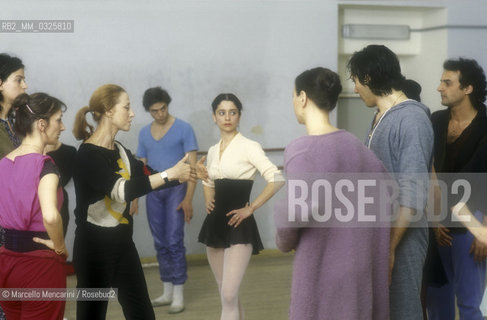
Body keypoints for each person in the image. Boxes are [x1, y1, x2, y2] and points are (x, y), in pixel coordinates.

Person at [273, 67, 390, 319]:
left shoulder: (301, 149)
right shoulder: (359, 148)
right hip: (361, 269)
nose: (293, 102)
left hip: (321, 269)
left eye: (294, 96)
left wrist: (284, 240)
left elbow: (294, 212)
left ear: (302, 98)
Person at [72, 84, 193, 320]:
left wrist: (186, 173)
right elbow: (122, 191)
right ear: (108, 111)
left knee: (142, 315)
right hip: (92, 252)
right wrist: (172, 173)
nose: (132, 113)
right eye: (127, 107)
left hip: (123, 247)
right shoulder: (87, 155)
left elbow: (149, 176)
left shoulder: (121, 151)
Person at [348, 44, 434, 320]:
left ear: (369, 77)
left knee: (403, 309)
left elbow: (412, 193)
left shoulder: (411, 118)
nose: (355, 89)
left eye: (356, 81)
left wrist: (389, 247)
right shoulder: (380, 117)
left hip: (401, 237)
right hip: (380, 235)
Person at [197, 93, 284, 320]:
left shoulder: (249, 146)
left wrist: (251, 208)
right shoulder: (214, 150)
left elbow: (277, 178)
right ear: (214, 117)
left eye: (232, 112)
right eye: (222, 112)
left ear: (239, 116)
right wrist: (208, 197)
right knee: (226, 294)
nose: (227, 117)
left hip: (239, 224)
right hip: (215, 224)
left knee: (228, 293)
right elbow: (208, 180)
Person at [426, 58, 487, 320]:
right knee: (438, 305)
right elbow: (431, 171)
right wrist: (435, 217)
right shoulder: (436, 121)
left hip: (472, 226)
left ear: (468, 89)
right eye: (441, 81)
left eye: (447, 82)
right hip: (438, 224)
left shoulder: (485, 126)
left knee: (470, 306)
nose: (440, 87)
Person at [0, 92, 68, 320]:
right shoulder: (45, 166)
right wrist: (59, 246)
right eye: (58, 120)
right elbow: (50, 216)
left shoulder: (2, 164)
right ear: (42, 125)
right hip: (39, 266)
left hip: (7, 263)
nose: (63, 127)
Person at [133, 87, 198, 313]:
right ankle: (167, 291)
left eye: (163, 109)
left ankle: (178, 293)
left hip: (177, 189)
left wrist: (188, 198)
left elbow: (192, 168)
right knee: (160, 242)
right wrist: (134, 198)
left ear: (167, 105)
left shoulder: (184, 128)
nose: (160, 114)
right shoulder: (143, 133)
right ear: (148, 111)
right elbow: (139, 169)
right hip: (153, 190)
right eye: (154, 111)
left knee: (173, 240)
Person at [45, 141, 77, 236]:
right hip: (33, 212)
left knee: (56, 248)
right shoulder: (27, 154)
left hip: (59, 207)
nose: (63, 127)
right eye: (59, 124)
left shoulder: (70, 152)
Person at [0, 53, 26, 158]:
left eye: (24, 80)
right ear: (1, 84)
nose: (25, 86)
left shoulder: (15, 121)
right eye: (19, 80)